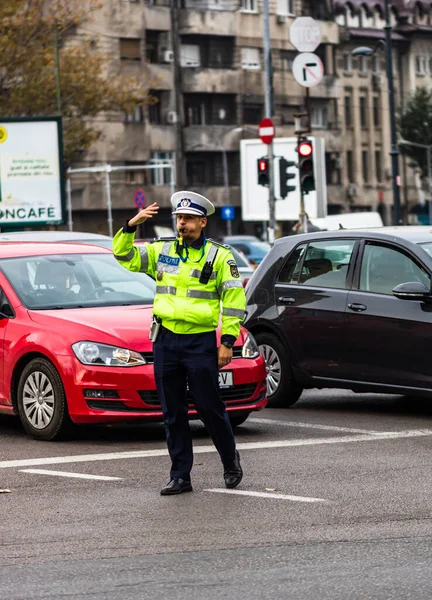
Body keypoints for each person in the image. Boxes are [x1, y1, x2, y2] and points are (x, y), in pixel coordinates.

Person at [112, 191, 246, 496]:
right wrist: (131, 225)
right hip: (166, 341)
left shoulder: (219, 256)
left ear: (202, 221)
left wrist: (227, 341)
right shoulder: (162, 250)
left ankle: (230, 461)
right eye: (178, 219)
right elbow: (123, 256)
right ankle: (180, 475)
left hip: (199, 342)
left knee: (209, 407)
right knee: (172, 412)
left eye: (186, 219)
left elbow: (235, 301)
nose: (181, 224)